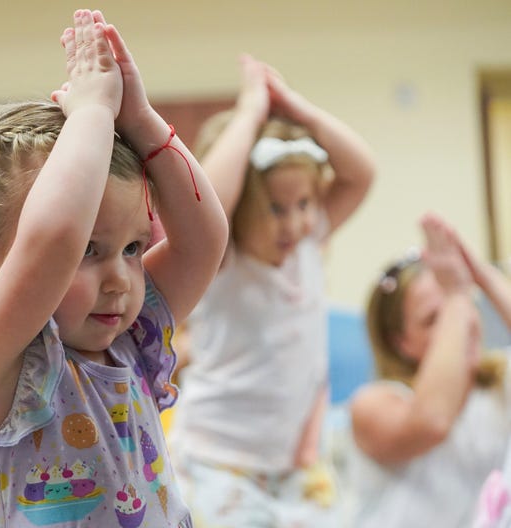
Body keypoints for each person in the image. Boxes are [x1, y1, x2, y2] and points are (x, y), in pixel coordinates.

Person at [0, 9, 228, 528]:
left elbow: (204, 242)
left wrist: (140, 120)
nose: (120, 280)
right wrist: (90, 115)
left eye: (132, 247)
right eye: (90, 251)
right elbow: (53, 241)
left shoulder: (129, 337)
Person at [167, 53, 376, 527]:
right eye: (277, 209)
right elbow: (206, 203)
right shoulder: (225, 261)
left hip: (296, 464)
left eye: (304, 203)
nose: (297, 220)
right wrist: (249, 114)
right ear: (242, 215)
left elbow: (362, 172)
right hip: (219, 460)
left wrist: (300, 112)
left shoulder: (308, 243)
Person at [348, 212, 511, 528]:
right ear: (401, 342)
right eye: (434, 318)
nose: (463, 320)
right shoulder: (375, 402)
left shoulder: (497, 384)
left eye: (468, 305)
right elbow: (432, 421)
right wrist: (455, 294)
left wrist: (483, 276)